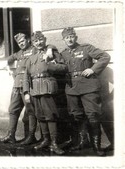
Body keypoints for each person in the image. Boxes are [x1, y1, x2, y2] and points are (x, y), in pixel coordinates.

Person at [60, 27, 111, 156]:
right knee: (77, 115)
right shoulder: (63, 53)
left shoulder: (86, 48)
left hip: (88, 86)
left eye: (71, 36)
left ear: (75, 37)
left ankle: (96, 146)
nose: (69, 39)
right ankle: (84, 142)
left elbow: (105, 56)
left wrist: (93, 69)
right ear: (64, 40)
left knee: (93, 115)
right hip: (71, 88)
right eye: (67, 37)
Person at [23, 31, 67, 155]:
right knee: (40, 116)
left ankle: (54, 143)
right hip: (34, 90)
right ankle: (45, 140)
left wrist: (49, 64)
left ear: (45, 39)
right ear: (33, 43)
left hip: (47, 88)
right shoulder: (30, 58)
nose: (39, 42)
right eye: (36, 41)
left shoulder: (52, 53)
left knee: (50, 116)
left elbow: (64, 68)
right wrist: (26, 92)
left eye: (41, 40)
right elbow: (26, 76)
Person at [0, 33, 34, 144]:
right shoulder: (19, 53)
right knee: (13, 110)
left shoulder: (34, 49)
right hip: (17, 85)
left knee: (30, 110)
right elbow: (10, 58)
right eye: (19, 43)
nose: (21, 44)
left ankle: (31, 136)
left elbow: (47, 48)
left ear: (28, 40)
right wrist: (7, 65)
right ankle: (11, 135)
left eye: (23, 41)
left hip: (28, 85)